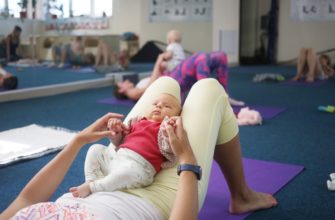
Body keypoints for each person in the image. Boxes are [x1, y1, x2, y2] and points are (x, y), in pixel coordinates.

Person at [0, 77, 277, 219]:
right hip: (151, 198)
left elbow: (25, 202)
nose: (157, 108)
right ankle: (241, 195)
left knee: (164, 86)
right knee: (208, 88)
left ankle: (241, 194)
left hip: (108, 175)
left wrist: (79, 140)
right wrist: (187, 160)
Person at [69, 93, 181, 198]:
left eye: (167, 106)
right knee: (95, 149)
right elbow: (119, 142)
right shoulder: (137, 122)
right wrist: (115, 131)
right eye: (155, 104)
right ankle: (90, 179)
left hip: (139, 169)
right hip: (117, 159)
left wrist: (169, 132)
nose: (159, 106)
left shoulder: (165, 129)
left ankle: (93, 187)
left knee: (126, 173)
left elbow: (170, 150)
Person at [115, 51, 245, 106]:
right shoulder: (132, 93)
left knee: (221, 56)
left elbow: (155, 78)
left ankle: (223, 95)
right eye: (122, 83)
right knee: (201, 58)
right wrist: (158, 59)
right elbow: (152, 85)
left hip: (173, 77)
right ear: (121, 91)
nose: (126, 81)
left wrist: (162, 65)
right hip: (174, 82)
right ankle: (208, 100)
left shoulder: (137, 85)